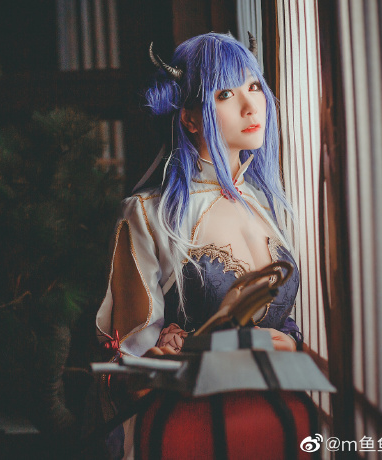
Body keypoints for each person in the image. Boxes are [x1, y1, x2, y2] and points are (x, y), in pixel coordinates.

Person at [95, 32, 303, 459]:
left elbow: (284, 324)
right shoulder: (148, 214)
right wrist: (166, 358)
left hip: (279, 421)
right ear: (190, 119)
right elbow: (129, 367)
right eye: (225, 94)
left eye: (254, 86)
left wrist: (290, 343)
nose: (251, 105)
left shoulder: (266, 205)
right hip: (190, 430)